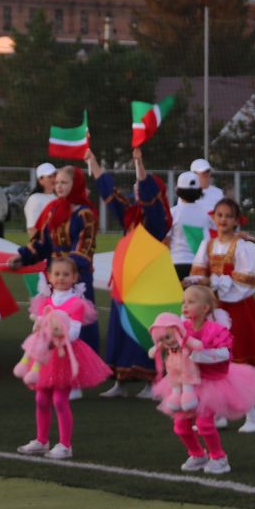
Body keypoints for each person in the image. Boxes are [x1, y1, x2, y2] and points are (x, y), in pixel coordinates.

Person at [187, 196, 255, 431]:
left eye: (228, 216)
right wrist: (197, 280)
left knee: (233, 361)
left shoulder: (241, 246)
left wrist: (217, 281)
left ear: (237, 220)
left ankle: (252, 416)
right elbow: (198, 270)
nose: (223, 220)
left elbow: (247, 278)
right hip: (213, 309)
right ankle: (217, 413)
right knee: (213, 363)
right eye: (220, 215)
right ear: (213, 218)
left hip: (235, 309)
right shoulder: (207, 244)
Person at [155, 282, 255, 476]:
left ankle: (219, 458)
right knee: (180, 425)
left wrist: (197, 355)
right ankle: (197, 454)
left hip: (213, 383)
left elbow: (224, 354)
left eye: (191, 302)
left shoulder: (216, 330)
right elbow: (172, 346)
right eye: (183, 302)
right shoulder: (181, 329)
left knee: (204, 424)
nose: (185, 306)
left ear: (205, 308)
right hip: (186, 383)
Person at [14, 254, 112, 460]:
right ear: (49, 276)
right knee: (41, 398)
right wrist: (40, 328)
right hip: (45, 357)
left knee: (59, 400)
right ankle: (41, 440)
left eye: (66, 274)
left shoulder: (76, 303)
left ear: (75, 277)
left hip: (65, 356)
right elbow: (37, 325)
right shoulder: (45, 301)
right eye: (56, 274)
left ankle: (65, 444)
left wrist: (57, 332)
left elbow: (75, 332)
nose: (61, 278)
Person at [98, 147, 171, 397]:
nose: (138, 191)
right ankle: (119, 381)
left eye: (142, 187)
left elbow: (149, 194)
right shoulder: (131, 216)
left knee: (142, 331)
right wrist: (94, 164)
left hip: (146, 282)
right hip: (124, 280)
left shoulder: (159, 218)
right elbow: (110, 194)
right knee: (118, 328)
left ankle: (151, 382)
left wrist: (140, 163)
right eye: (137, 187)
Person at [11, 164, 101, 354]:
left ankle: (83, 361)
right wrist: (23, 256)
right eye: (57, 182)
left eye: (64, 182)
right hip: (55, 277)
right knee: (53, 317)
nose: (59, 186)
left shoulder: (85, 214)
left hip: (76, 277)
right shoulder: (54, 210)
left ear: (75, 184)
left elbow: (84, 248)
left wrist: (62, 269)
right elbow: (43, 241)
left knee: (77, 320)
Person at [168, 171, 213, 279]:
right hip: (199, 265)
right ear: (199, 190)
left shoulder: (172, 213)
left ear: (177, 190)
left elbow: (166, 241)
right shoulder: (207, 215)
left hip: (175, 263)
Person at [24, 162, 58, 231]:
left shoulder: (56, 198)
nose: (54, 179)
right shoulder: (34, 199)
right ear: (40, 180)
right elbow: (32, 228)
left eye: (55, 175)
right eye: (49, 177)